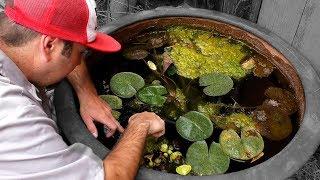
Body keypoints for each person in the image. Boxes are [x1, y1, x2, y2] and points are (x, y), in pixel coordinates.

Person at [0, 0, 165, 179]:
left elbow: (59, 43)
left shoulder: (12, 32)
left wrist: (86, 92)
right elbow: (111, 177)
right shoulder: (17, 119)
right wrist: (140, 124)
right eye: (80, 53)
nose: (79, 63)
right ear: (48, 46)